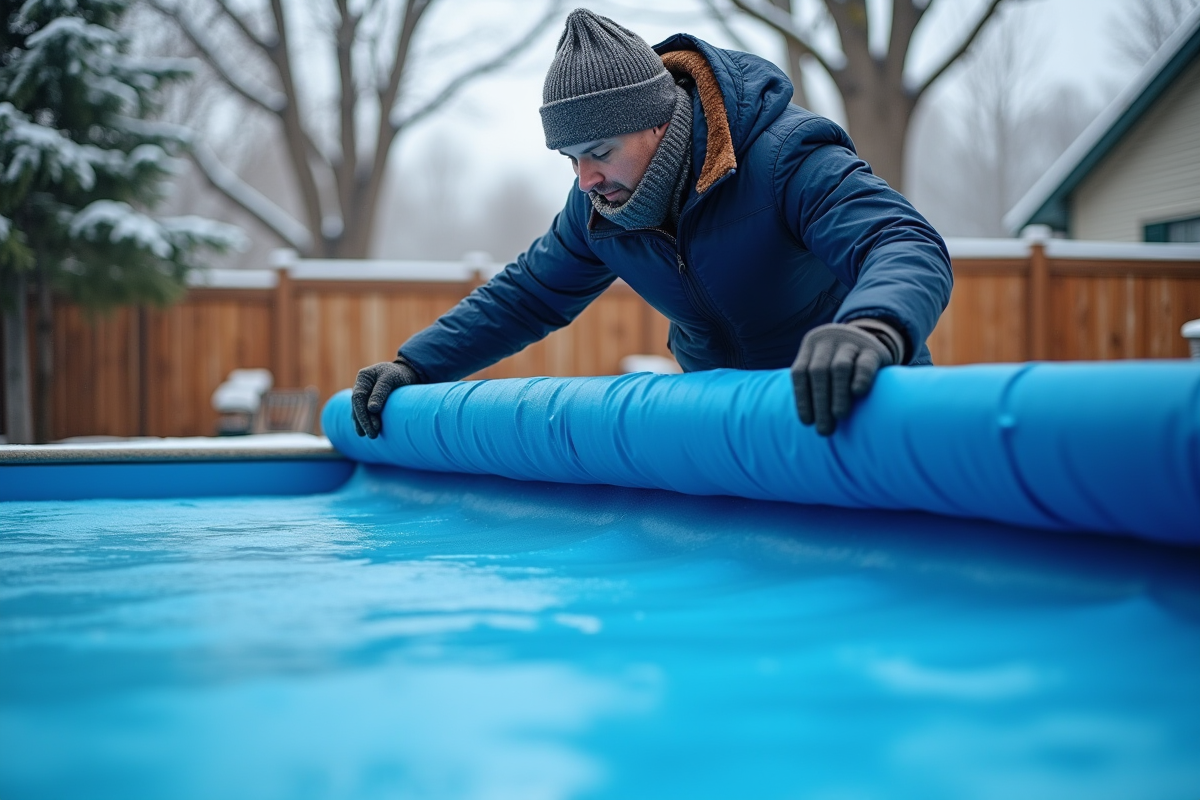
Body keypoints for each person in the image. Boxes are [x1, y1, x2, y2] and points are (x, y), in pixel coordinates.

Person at [352, 8, 951, 439]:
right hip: (735, 434)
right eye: (571, 159)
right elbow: (526, 297)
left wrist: (871, 329)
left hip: (856, 411)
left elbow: (902, 242)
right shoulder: (600, 210)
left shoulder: (785, 158)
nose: (585, 178)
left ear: (659, 122)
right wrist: (415, 365)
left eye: (600, 151)